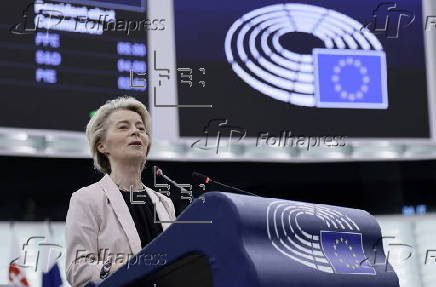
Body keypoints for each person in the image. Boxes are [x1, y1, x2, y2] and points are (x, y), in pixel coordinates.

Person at [65, 96, 176, 287]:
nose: (136, 132)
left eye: (141, 128)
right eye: (124, 127)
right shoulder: (87, 199)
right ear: (102, 145)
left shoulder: (165, 203)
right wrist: (124, 267)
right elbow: (77, 269)